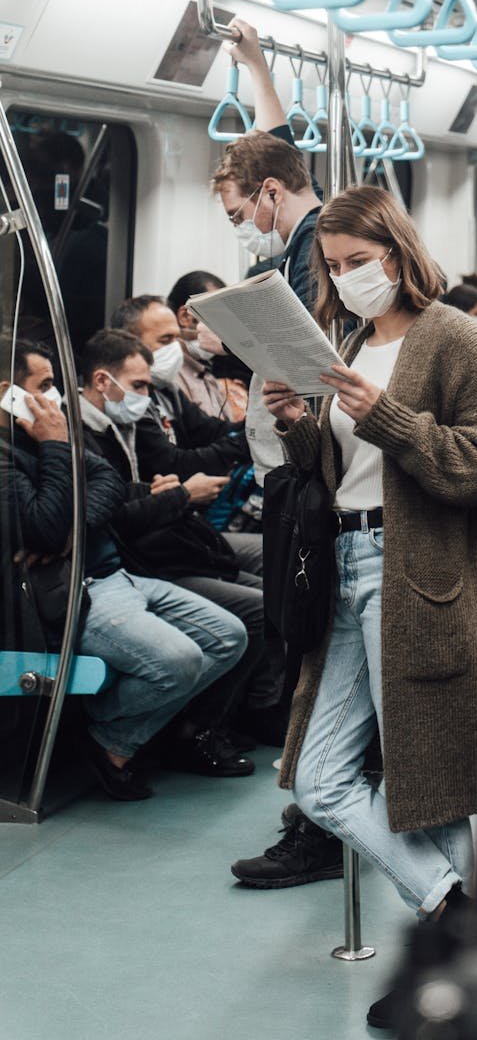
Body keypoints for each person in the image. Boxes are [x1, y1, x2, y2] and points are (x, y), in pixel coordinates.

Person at [256, 185, 477, 1030]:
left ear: (399, 254)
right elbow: (338, 469)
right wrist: (301, 422)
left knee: (430, 778)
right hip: (346, 559)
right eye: (334, 267)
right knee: (324, 775)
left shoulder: (456, 338)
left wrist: (389, 418)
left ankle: (452, 972)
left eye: (358, 262)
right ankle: (458, 913)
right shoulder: (352, 339)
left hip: (417, 572)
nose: (347, 278)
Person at [0, 340, 249, 799]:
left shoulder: (44, 437)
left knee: (229, 636)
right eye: (46, 385)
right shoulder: (17, 450)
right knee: (180, 659)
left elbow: (107, 481)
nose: (57, 398)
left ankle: (110, 735)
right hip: (74, 591)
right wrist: (56, 447)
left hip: (118, 573)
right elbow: (44, 528)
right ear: (7, 393)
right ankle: (111, 742)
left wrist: (74, 527)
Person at [78, 328, 287, 748]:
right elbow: (110, 518)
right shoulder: (82, 435)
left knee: (277, 586)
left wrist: (167, 493)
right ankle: (196, 729)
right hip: (146, 558)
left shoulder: (131, 418)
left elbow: (135, 489)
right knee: (259, 610)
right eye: (138, 386)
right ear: (103, 380)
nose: (145, 394)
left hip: (169, 541)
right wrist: (179, 495)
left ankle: (251, 709)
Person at [211, 18, 324, 487]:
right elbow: (279, 144)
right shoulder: (308, 217)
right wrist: (256, 63)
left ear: (272, 192)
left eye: (238, 214)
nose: (240, 228)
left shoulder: (313, 249)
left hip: (308, 451)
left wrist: (226, 340)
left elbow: (305, 356)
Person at [109, 294, 250, 481]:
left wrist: (257, 425)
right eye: (166, 340)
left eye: (177, 338)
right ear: (130, 343)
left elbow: (209, 430)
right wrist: (242, 443)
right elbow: (171, 464)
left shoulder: (166, 390)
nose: (175, 348)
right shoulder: (126, 399)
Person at [166, 270, 249, 422]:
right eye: (216, 316)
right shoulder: (167, 372)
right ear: (185, 316)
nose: (224, 329)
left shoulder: (208, 369)